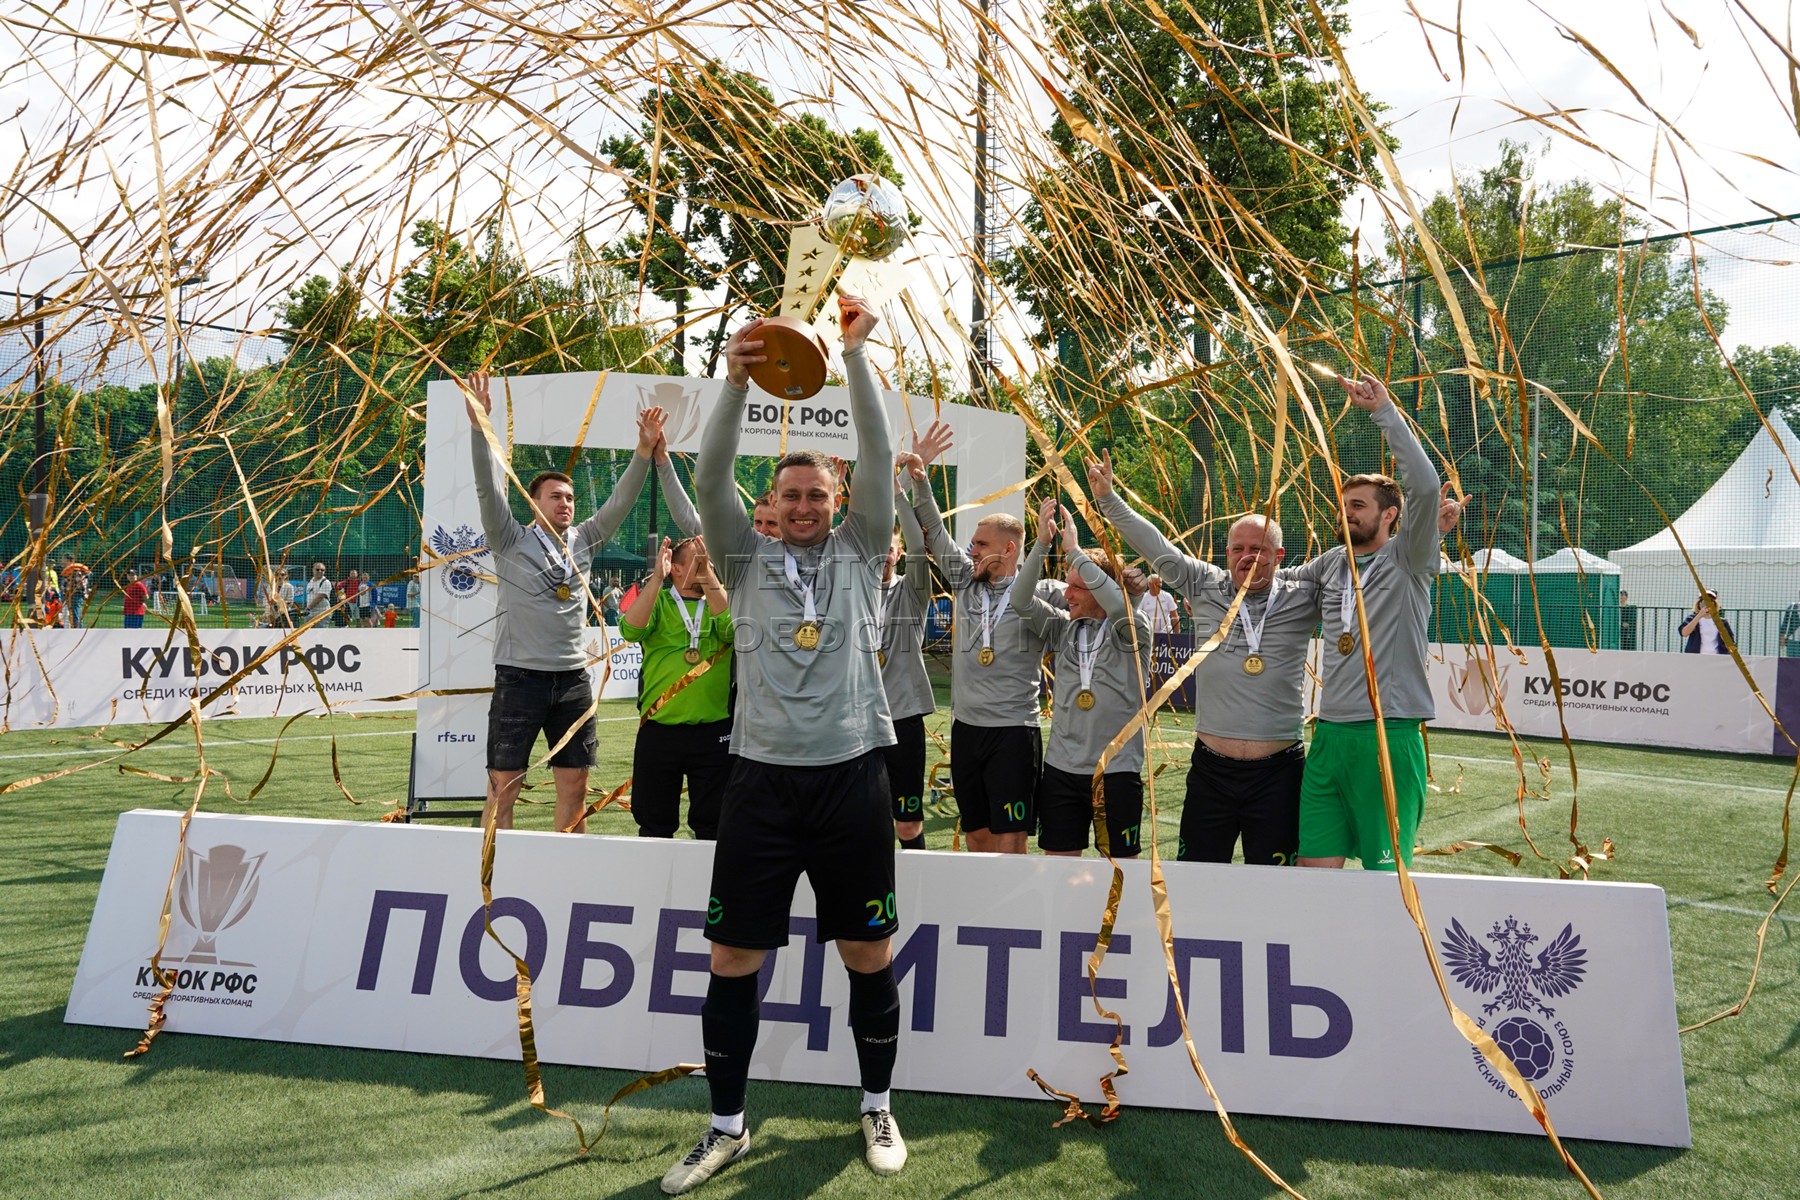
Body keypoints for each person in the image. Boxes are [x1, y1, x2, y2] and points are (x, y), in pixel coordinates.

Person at [664, 298, 904, 1194]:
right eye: (790, 495)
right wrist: (732, 381)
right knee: (733, 959)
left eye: (817, 495)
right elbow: (709, 471)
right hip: (760, 783)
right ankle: (727, 1126)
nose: (803, 506)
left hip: (852, 779)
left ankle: (876, 1104)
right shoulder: (742, 557)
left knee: (867, 955)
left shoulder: (864, 548)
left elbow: (877, 453)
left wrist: (855, 356)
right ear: (770, 506)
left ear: (839, 503)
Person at [464, 370, 674, 836]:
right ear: (533, 502)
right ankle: (493, 870)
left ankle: (568, 868)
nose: (566, 503)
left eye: (571, 497)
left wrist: (643, 452)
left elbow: (620, 502)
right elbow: (487, 488)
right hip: (520, 676)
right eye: (556, 496)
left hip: (574, 679)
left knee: (575, 785)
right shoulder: (509, 538)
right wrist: (480, 428)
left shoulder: (585, 539)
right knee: (504, 787)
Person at [1288, 374, 1445, 872]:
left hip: (1387, 734)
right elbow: (1273, 583)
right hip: (1328, 736)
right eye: (1343, 505)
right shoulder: (1331, 563)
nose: (1347, 513)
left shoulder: (1408, 557)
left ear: (1391, 515)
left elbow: (1427, 486)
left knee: (1385, 880)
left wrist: (1384, 412)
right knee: (1313, 872)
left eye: (1358, 506)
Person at [909, 438, 1060, 855]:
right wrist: (920, 480)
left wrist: (1133, 586)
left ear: (1009, 549)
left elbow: (1097, 599)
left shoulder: (1043, 593)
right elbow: (935, 530)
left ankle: (1013, 903)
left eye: (980, 545)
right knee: (976, 835)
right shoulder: (966, 580)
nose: (970, 550)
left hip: (1013, 733)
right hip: (966, 730)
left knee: (1010, 839)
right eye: (973, 543)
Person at [1010, 497, 1154, 858]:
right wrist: (1043, 544)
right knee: (1059, 868)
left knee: (1121, 868)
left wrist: (1075, 551)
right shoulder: (1062, 627)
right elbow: (1020, 600)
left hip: (1116, 771)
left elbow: (1118, 605)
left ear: (1101, 589)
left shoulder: (1133, 629)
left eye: (1077, 586)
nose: (1067, 593)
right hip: (1062, 770)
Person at [620, 536, 733, 840]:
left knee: (715, 824)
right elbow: (631, 630)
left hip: (714, 732)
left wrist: (709, 577)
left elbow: (735, 631)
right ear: (676, 568)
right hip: (660, 730)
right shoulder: (659, 601)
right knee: (654, 824)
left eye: (709, 559)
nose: (707, 564)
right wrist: (657, 578)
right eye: (699, 559)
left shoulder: (720, 599)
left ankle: (709, 874)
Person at [884, 446, 945, 849]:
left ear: (899, 552)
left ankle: (915, 880)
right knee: (858, 817)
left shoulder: (911, 590)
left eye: (889, 547)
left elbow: (921, 547)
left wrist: (898, 490)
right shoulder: (846, 590)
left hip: (902, 717)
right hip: (855, 720)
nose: (882, 554)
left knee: (907, 824)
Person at [62, 557, 91, 627]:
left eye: (63, 559)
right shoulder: (72, 570)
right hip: (72, 595)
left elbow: (79, 584)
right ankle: (77, 628)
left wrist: (69, 588)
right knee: (74, 614)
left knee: (76, 614)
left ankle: (78, 629)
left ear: (68, 560)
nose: (62, 561)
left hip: (76, 595)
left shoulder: (76, 571)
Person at [1781, 589, 1800, 659]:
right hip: (1793, 640)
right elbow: (1785, 623)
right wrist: (1782, 637)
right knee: (1792, 661)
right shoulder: (1793, 607)